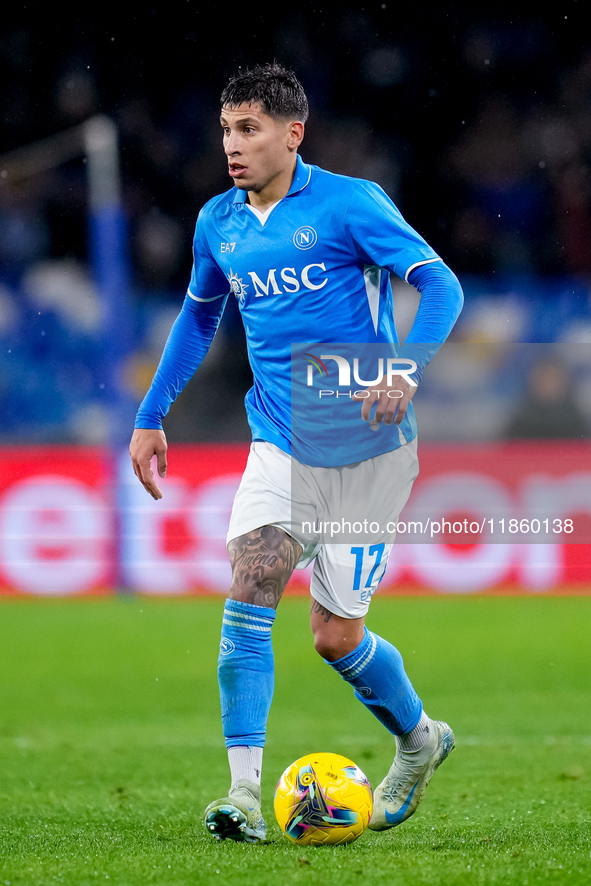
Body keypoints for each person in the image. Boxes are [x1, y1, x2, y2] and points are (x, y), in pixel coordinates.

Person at [129, 62, 464, 843]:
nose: (231, 146)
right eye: (224, 130)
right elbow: (198, 320)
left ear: (292, 133)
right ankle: (242, 794)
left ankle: (418, 740)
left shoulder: (350, 203)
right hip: (277, 439)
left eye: (247, 129)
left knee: (333, 636)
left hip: (364, 450)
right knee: (254, 574)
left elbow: (439, 285)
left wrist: (405, 367)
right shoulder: (219, 220)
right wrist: (151, 413)